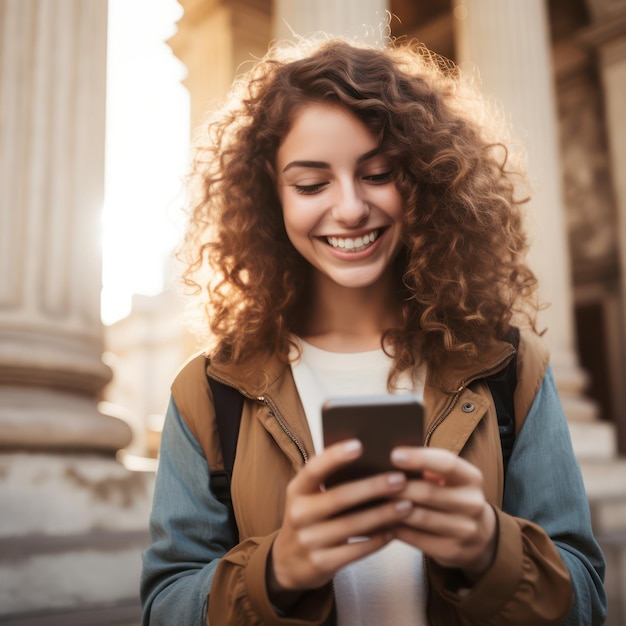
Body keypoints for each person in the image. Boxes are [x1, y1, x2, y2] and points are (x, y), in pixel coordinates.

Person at [140, 36, 607, 625]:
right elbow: (163, 609)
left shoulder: (510, 365)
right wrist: (276, 571)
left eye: (379, 173)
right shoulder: (208, 391)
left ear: (422, 180)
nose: (352, 208)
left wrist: (492, 549)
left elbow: (588, 603)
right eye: (312, 184)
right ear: (270, 196)